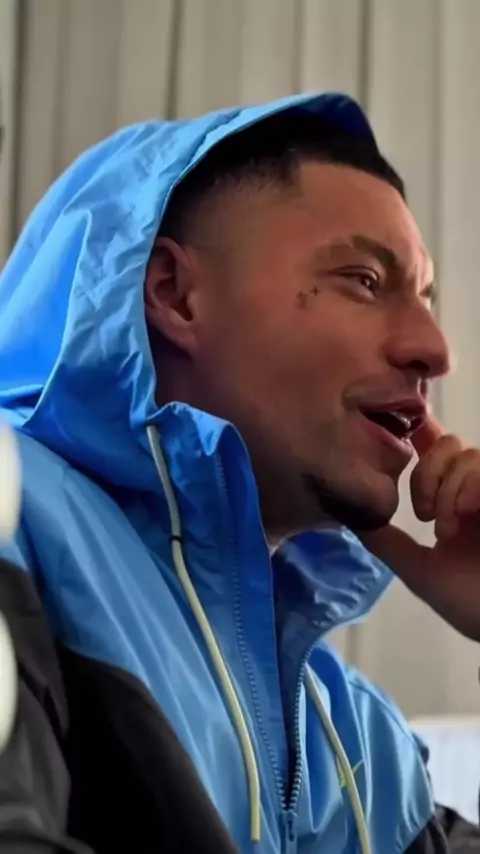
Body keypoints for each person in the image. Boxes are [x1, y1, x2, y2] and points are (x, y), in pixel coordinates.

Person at [0, 91, 480, 853]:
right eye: (363, 280)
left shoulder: (358, 742)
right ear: (174, 293)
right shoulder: (15, 524)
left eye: (423, 298)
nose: (435, 350)